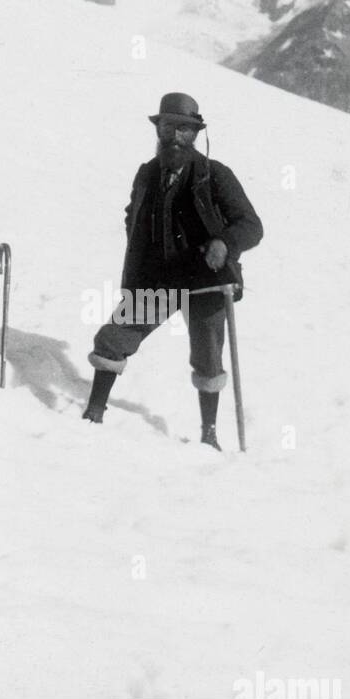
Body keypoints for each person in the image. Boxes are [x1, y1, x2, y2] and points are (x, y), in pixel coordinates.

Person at [82, 92, 262, 448]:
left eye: (184, 130)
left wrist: (224, 243)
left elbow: (251, 225)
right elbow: (132, 217)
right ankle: (93, 412)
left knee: (208, 359)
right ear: (159, 130)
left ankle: (209, 435)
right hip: (158, 281)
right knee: (113, 339)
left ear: (195, 134)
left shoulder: (215, 175)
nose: (175, 137)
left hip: (207, 282)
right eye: (168, 128)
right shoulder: (147, 174)